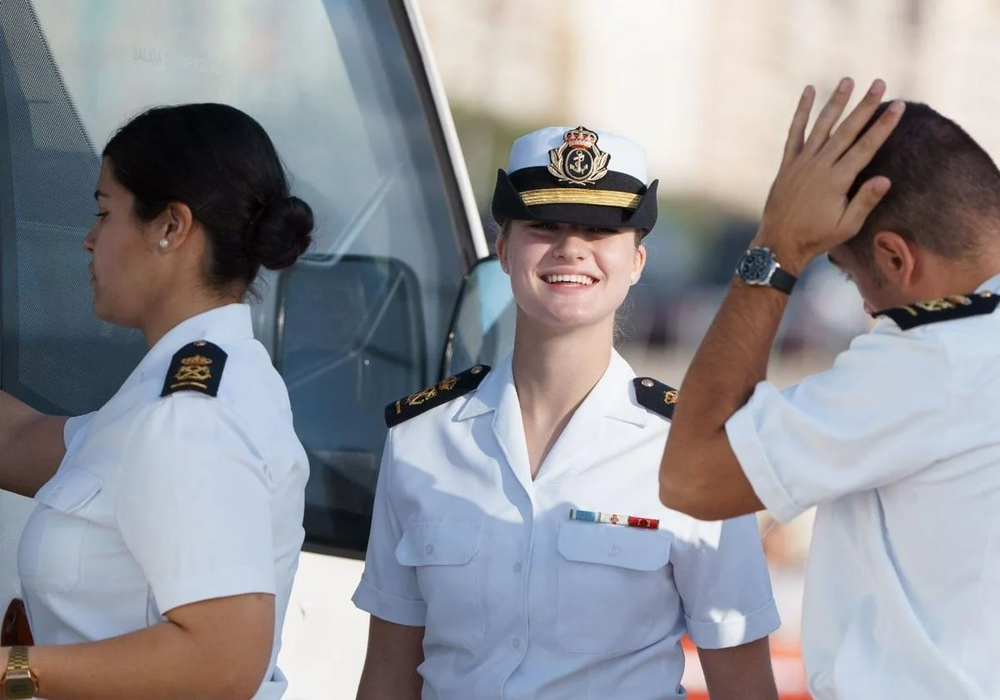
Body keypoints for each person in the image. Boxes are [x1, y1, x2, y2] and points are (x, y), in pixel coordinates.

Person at [353, 125, 781, 699]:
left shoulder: (693, 453)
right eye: (544, 226)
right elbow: (387, 674)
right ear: (503, 251)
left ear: (637, 260)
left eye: (600, 230)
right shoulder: (420, 440)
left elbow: (745, 686)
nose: (571, 249)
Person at [658, 77, 1000, 700]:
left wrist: (776, 246)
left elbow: (693, 477)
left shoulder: (937, 358)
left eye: (847, 275)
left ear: (895, 258)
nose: (866, 307)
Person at [0, 103, 313, 699]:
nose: (89, 239)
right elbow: (16, 441)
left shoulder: (192, 416)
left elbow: (223, 662)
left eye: (104, 211)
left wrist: (11, 672)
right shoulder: (183, 389)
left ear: (171, 226)